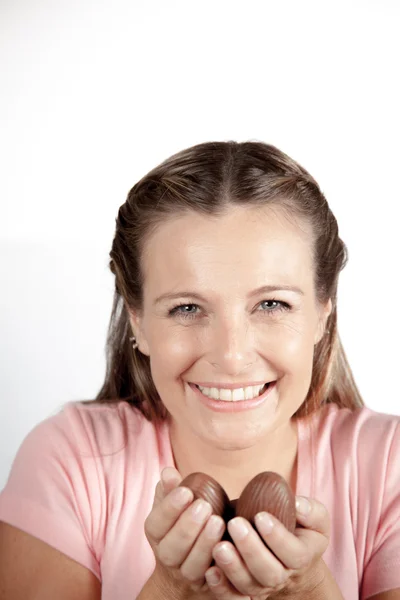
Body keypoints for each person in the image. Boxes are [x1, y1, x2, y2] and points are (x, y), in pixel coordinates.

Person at [0, 141, 399, 600]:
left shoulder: (391, 467)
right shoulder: (70, 461)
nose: (231, 356)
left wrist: (310, 589)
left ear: (323, 314)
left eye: (272, 304)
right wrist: (167, 591)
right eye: (187, 308)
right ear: (138, 321)